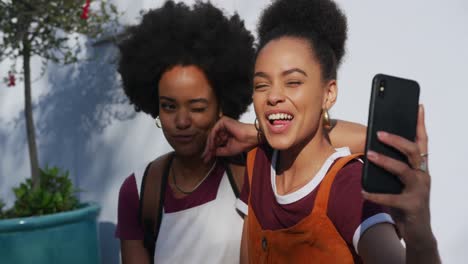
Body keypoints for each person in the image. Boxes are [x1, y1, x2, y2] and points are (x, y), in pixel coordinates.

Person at [115, 1, 367, 263]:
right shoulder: (141, 189)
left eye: (197, 107)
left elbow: (360, 140)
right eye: (168, 106)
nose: (181, 121)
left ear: (221, 105)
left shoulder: (252, 165)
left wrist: (257, 134)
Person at [203, 0, 441, 263]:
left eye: (293, 82)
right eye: (261, 85)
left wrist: (420, 235)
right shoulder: (257, 162)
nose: (273, 96)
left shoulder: (349, 186)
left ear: (329, 94)